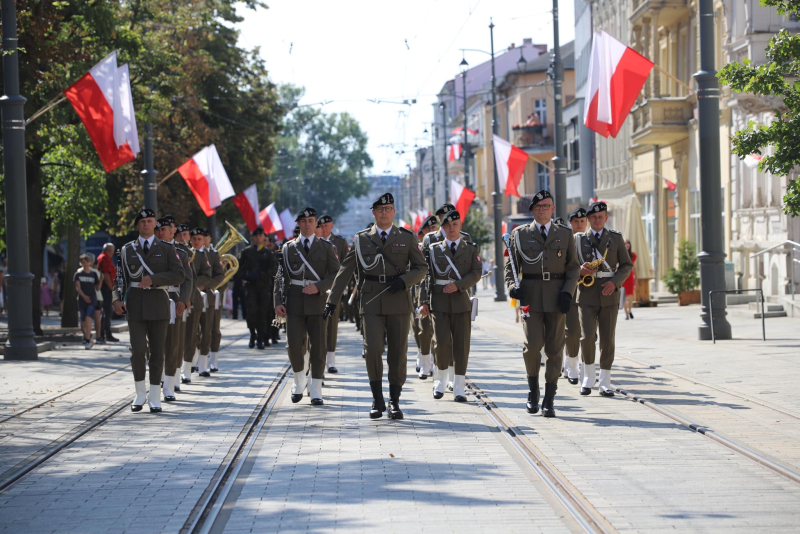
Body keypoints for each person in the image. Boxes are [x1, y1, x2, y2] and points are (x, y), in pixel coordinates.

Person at [324, 193, 427, 420]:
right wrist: (332, 301)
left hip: (399, 300)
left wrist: (404, 280)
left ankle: (395, 401)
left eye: (388, 208)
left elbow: (421, 268)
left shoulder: (407, 237)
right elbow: (345, 271)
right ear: (373, 212)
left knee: (398, 354)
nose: (384, 213)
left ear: (394, 212)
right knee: (373, 349)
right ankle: (377, 398)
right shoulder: (361, 239)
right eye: (380, 209)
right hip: (370, 300)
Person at [505, 190, 579, 418]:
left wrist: (568, 292)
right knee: (532, 347)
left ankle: (549, 397)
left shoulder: (565, 234)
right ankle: (533, 391)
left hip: (558, 297)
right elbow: (510, 267)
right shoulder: (519, 235)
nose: (542, 209)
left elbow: (573, 267)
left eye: (546, 206)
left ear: (553, 209)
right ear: (532, 210)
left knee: (555, 349)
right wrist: (511, 287)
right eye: (538, 206)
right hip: (530, 297)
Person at [112, 208, 184, 413]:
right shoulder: (126, 250)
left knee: (157, 352)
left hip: (159, 305)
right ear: (137, 225)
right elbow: (120, 278)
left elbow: (179, 275)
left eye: (150, 221)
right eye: (142, 221)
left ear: (155, 225)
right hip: (134, 306)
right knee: (137, 351)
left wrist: (154, 279)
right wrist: (116, 299)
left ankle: (154, 396)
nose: (146, 224)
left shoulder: (167, 249)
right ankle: (139, 393)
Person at [275, 208, 340, 406]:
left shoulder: (327, 247)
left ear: (316, 224)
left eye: (311, 221)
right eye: (303, 221)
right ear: (298, 224)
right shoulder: (288, 248)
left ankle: (316, 389)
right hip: (294, 302)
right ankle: (299, 379)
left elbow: (336, 275)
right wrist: (277, 302)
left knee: (319, 347)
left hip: (318, 302)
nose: (307, 224)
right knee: (294, 345)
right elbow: (280, 277)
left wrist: (319, 287)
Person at [420, 210, 482, 401]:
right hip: (439, 301)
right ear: (442, 228)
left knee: (461, 345)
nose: (451, 228)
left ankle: (459, 386)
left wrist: (458, 285)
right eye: (447, 225)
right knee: (442, 342)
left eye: (455, 224)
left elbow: (476, 273)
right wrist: (423, 301)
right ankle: (439, 381)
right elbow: (426, 277)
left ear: (460, 226)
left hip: (462, 301)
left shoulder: (471, 248)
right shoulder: (433, 250)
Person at [576, 201, 633, 397]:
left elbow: (626, 265)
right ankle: (588, 378)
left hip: (609, 292)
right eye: (593, 217)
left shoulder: (615, 238)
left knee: (608, 339)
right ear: (588, 220)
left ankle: (605, 382)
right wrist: (579, 271)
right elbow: (569, 265)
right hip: (586, 293)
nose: (597, 220)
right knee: (587, 337)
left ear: (606, 218)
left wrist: (615, 282)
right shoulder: (578, 239)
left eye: (601, 217)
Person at [155, 216, 193, 401]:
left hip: (174, 298)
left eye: (165, 229)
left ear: (173, 231)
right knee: (154, 344)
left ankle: (169, 385)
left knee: (172, 343)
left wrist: (184, 300)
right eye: (159, 229)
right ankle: (157, 378)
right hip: (155, 298)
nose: (161, 232)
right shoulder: (151, 250)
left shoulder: (181, 253)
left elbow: (188, 279)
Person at [317, 214, 350, 374]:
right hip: (317, 289)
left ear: (331, 226)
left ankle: (331, 360)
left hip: (333, 290)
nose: (323, 228)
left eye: (326, 225)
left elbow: (345, 266)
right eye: (321, 226)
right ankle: (318, 360)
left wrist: (342, 287)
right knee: (317, 326)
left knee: (332, 326)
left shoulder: (340, 242)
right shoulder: (314, 243)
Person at [181, 227, 212, 385]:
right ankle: (185, 370)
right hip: (184, 299)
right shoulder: (186, 253)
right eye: (194, 238)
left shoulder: (202, 255)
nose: (197, 241)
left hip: (198, 299)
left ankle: (200, 366)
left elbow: (207, 274)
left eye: (200, 239)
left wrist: (198, 286)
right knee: (188, 336)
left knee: (203, 333)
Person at [239, 227, 278, 349]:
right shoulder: (246, 252)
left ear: (264, 237)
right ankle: (252, 334)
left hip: (265, 287)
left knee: (263, 313)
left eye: (261, 236)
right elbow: (239, 267)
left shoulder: (268, 253)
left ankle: (261, 338)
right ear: (252, 238)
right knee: (251, 312)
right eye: (256, 236)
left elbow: (274, 269)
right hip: (251, 287)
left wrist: (262, 274)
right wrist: (245, 275)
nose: (258, 238)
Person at [412, 215, 439, 379]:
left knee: (438, 332)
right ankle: (424, 362)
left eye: (434, 228)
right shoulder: (417, 249)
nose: (432, 231)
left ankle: (436, 364)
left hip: (437, 294)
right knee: (422, 330)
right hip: (418, 295)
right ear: (422, 234)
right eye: (428, 229)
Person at [563, 206, 588, 384]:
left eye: (582, 221)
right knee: (571, 332)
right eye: (576, 222)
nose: (579, 225)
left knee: (587, 334)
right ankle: (572, 365)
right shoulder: (564, 241)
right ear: (570, 223)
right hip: (571, 291)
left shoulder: (591, 241)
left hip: (588, 292)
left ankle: (587, 368)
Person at [204, 231, 226, 374]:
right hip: (196, 295)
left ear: (209, 239)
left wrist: (207, 285)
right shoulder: (193, 253)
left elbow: (221, 276)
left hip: (212, 294)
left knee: (213, 329)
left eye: (204, 237)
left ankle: (213, 360)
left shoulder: (214, 254)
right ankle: (197, 361)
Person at [75, 254, 101, 349]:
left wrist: (101, 280)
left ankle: (87, 339)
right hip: (82, 299)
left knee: (88, 317)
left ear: (90, 263)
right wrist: (84, 296)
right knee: (83, 320)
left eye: (87, 262)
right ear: (81, 263)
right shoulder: (78, 274)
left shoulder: (94, 274)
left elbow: (97, 288)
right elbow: (78, 288)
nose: (85, 264)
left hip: (92, 299)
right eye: (83, 262)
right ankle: (87, 335)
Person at [97, 243, 119, 342]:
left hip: (107, 288)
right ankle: (106, 334)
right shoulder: (104, 258)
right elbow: (105, 274)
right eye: (112, 251)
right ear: (110, 250)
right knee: (107, 312)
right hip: (106, 289)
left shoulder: (105, 258)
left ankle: (104, 334)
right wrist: (111, 288)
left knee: (107, 312)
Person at [622, 239, 637, 320]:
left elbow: (634, 267)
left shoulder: (632, 255)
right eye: (625, 245)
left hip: (630, 276)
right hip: (622, 276)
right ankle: (626, 313)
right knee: (623, 295)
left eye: (628, 246)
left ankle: (630, 310)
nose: (627, 247)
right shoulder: (620, 254)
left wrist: (636, 279)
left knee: (630, 294)